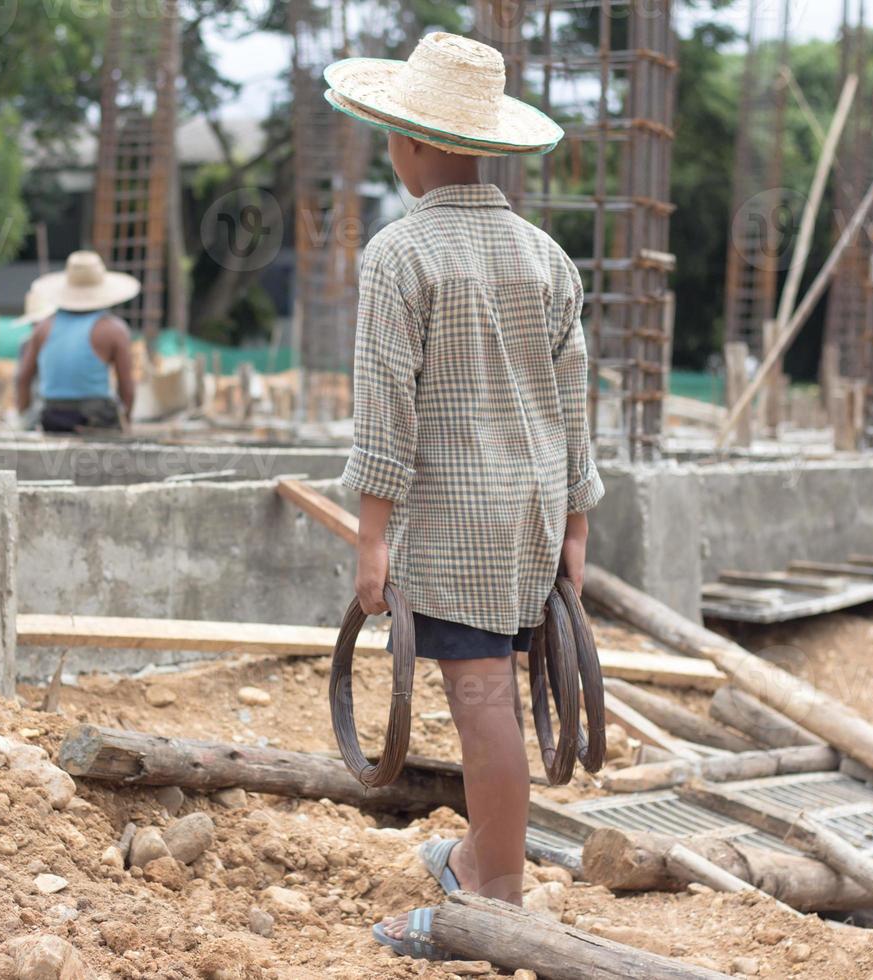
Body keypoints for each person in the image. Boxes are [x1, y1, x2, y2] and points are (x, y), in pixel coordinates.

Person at [324, 32, 603, 961]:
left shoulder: (400, 256)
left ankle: (498, 897)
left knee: (483, 697)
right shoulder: (547, 258)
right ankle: (485, 859)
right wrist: (576, 522)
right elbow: (575, 407)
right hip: (529, 513)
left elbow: (386, 414)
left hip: (457, 520)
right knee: (495, 691)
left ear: (406, 143)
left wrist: (372, 542)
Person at [14, 251, 138, 433]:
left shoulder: (43, 328)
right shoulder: (114, 330)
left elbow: (22, 379)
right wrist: (125, 421)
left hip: (52, 416)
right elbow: (126, 389)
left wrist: (25, 419)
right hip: (96, 418)